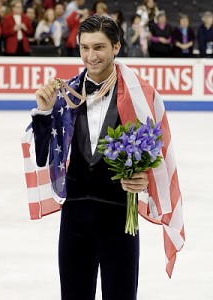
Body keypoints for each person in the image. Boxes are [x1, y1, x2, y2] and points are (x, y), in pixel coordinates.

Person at [22, 14, 184, 300]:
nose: (90, 56)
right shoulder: (66, 94)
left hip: (119, 217)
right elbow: (42, 156)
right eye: (85, 48)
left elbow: (160, 154)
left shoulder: (141, 96)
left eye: (99, 47)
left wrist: (143, 179)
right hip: (75, 217)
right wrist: (44, 112)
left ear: (116, 47)